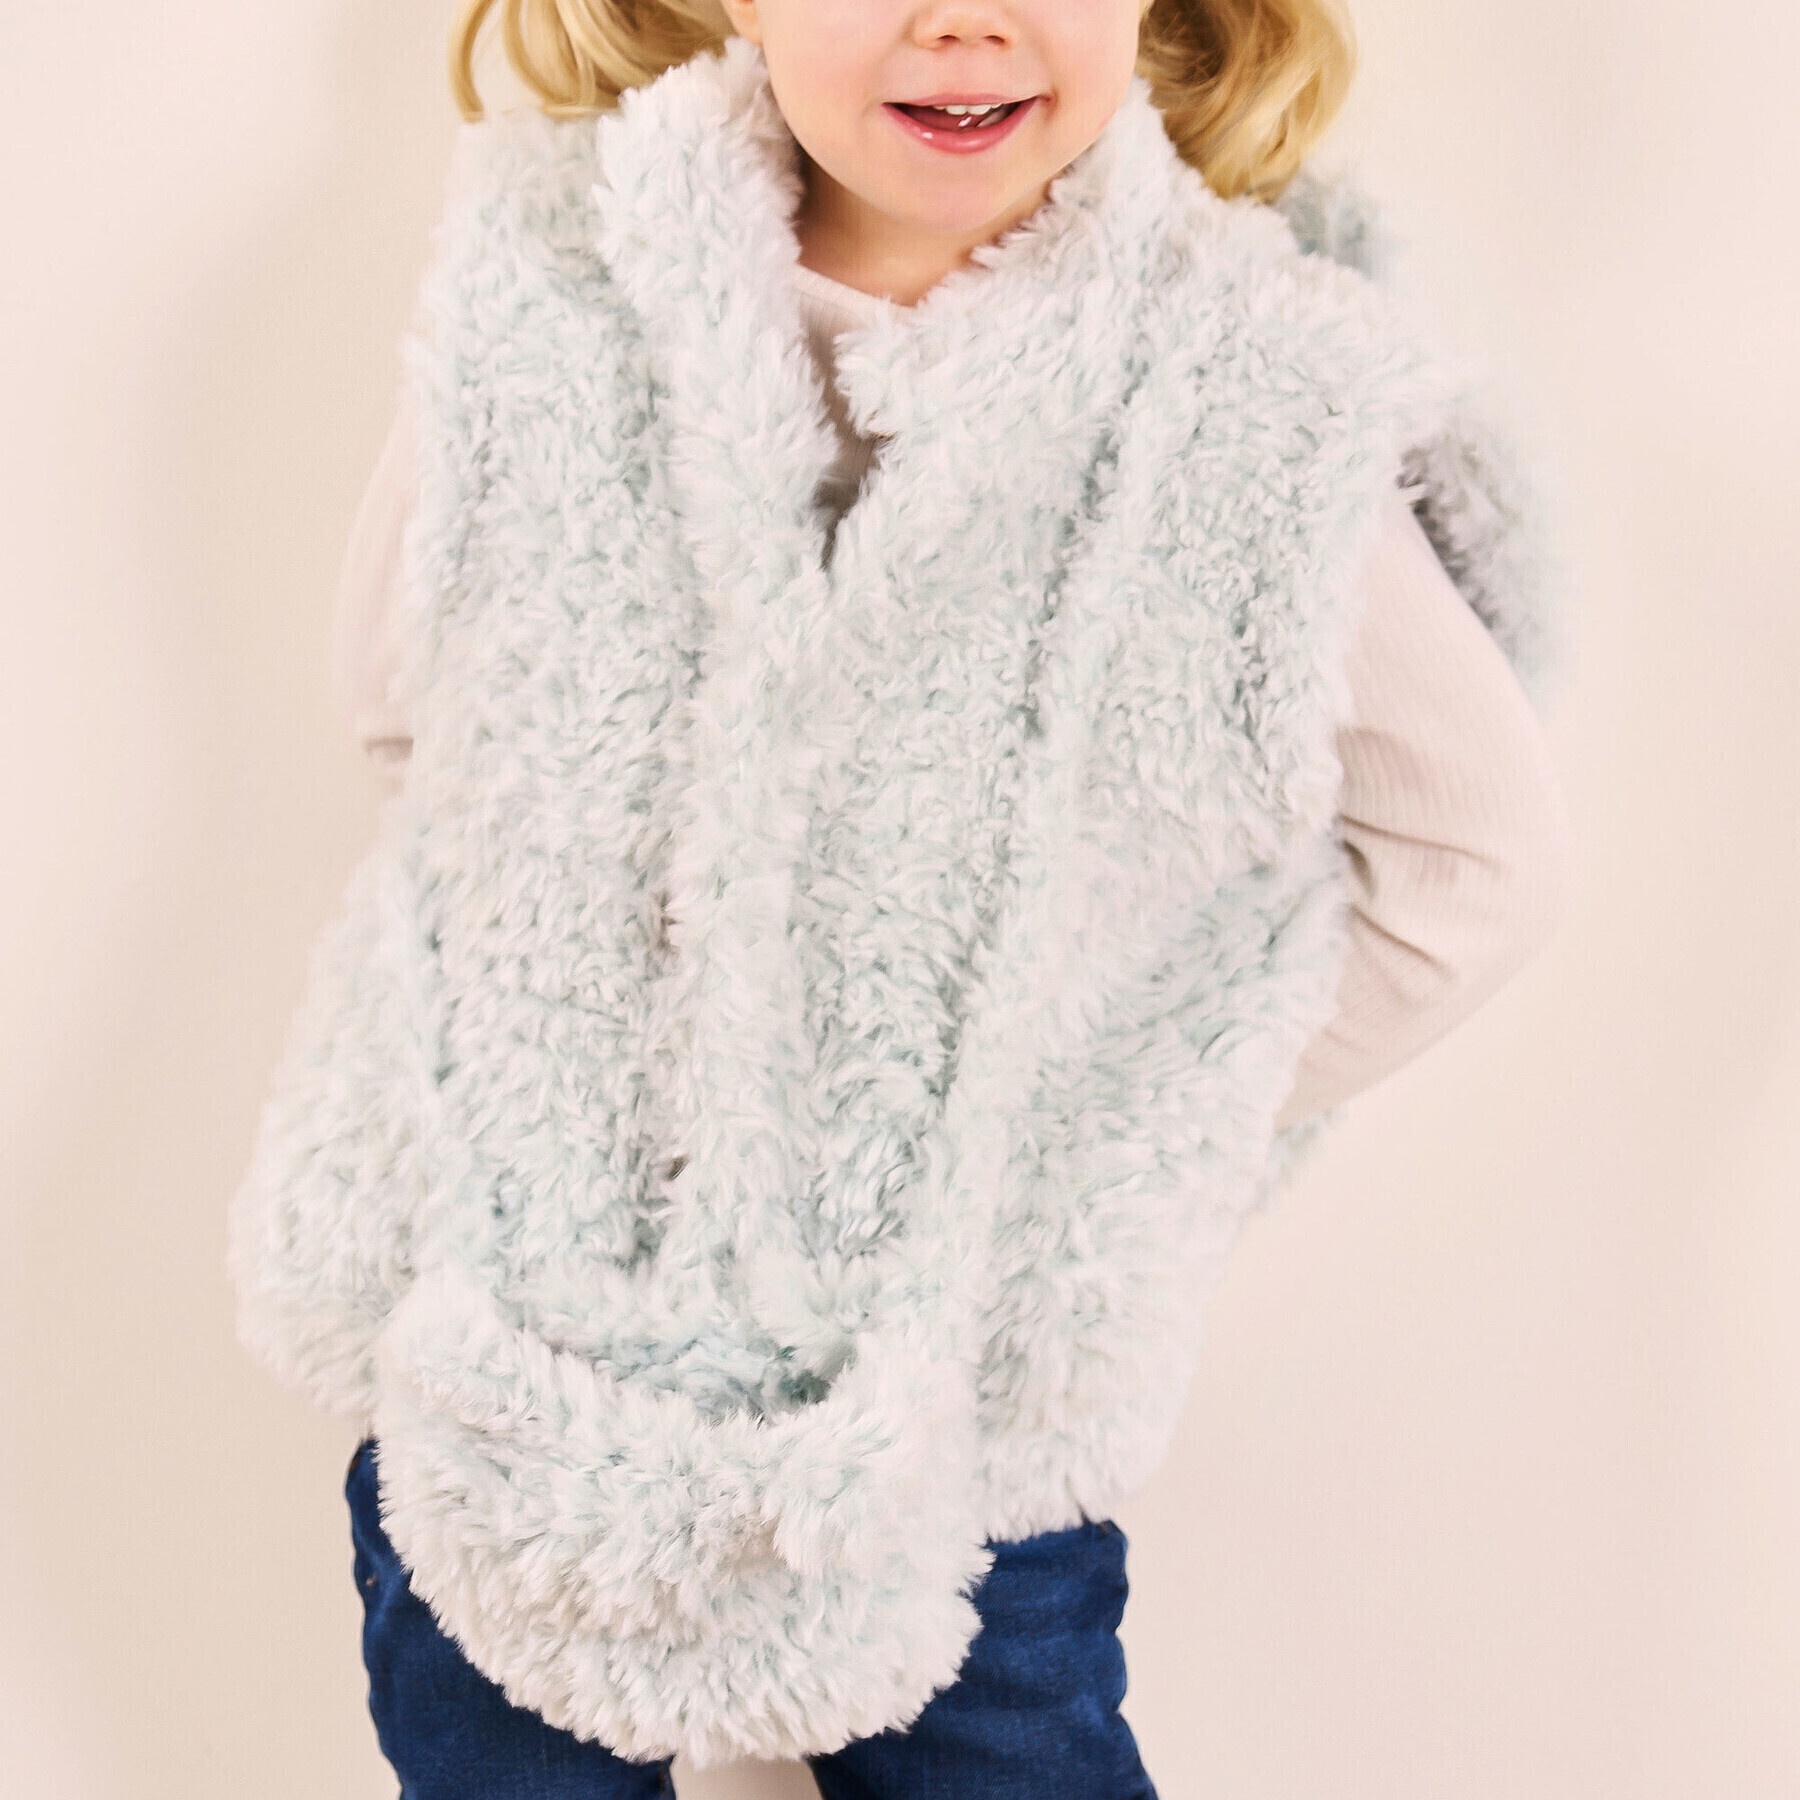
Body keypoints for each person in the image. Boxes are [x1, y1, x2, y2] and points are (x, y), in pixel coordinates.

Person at [230, 1, 1572, 1794]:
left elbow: (1476, 861)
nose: (966, 18)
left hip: (958, 1412)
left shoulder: (1247, 398)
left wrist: (1093, 1128)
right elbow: (417, 707)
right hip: (532, 1344)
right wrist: (602, 1027)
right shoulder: (559, 297)